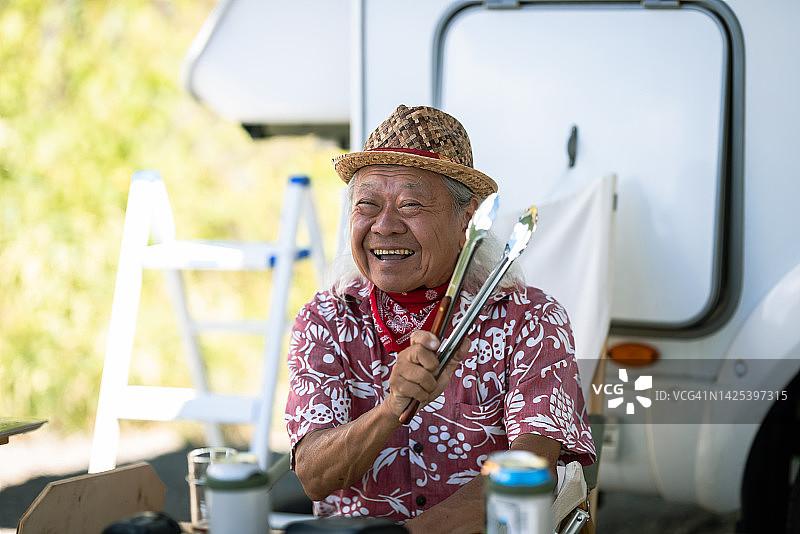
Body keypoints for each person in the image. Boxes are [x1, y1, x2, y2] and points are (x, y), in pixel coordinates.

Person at [284, 104, 596, 533]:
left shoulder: (530, 318)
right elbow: (315, 477)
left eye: (410, 204)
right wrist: (392, 408)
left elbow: (530, 467)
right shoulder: (326, 319)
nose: (384, 226)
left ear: (466, 219)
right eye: (367, 204)